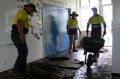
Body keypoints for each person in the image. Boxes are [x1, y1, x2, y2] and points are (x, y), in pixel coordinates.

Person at [11, 3, 37, 79]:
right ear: (29, 7)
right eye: (32, 9)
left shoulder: (24, 13)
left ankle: (18, 71)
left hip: (17, 34)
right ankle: (18, 73)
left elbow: (22, 23)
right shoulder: (23, 12)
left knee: (23, 53)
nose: (32, 11)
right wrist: (21, 35)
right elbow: (19, 22)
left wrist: (29, 26)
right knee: (23, 53)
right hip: (18, 34)